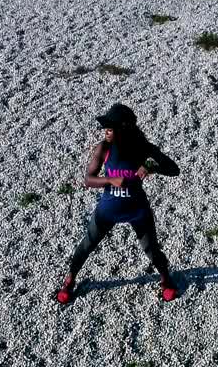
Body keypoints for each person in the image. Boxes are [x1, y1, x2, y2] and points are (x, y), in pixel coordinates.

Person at [55, 103, 181, 305]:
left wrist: (151, 165)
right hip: (108, 209)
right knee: (87, 244)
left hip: (137, 210)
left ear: (124, 129)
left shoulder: (143, 149)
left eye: (110, 127)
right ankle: (70, 279)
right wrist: (109, 180)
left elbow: (174, 170)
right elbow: (88, 179)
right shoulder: (104, 148)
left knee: (152, 249)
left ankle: (166, 279)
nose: (105, 130)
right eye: (106, 127)